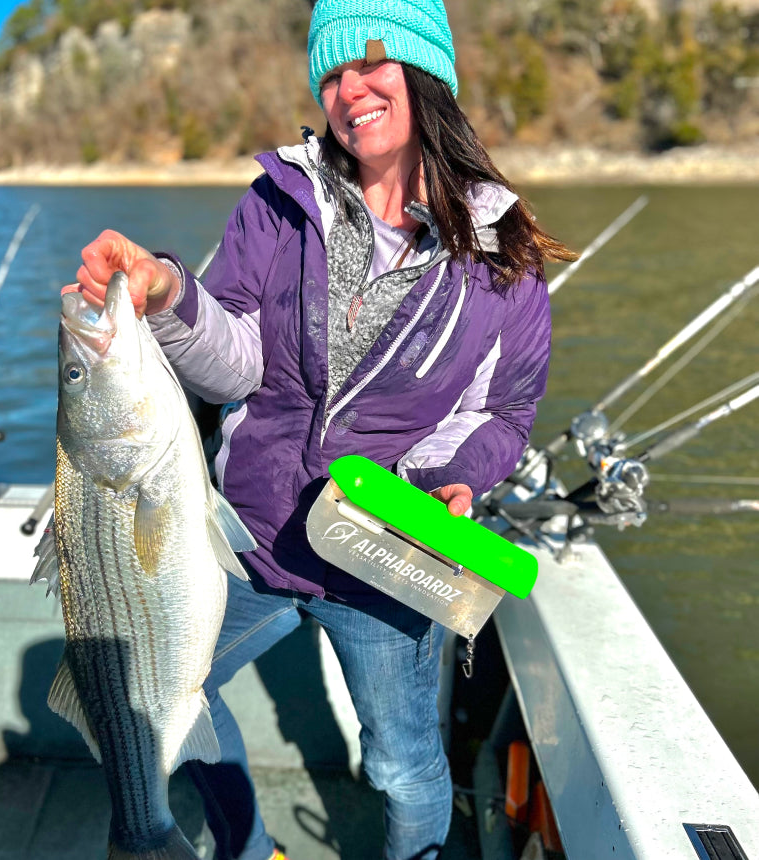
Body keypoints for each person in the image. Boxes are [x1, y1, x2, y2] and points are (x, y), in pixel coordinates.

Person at [71, 1, 575, 857]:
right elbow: (235, 364)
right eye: (332, 74)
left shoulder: (502, 258)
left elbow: (505, 412)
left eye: (372, 66)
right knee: (167, 692)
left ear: (428, 76)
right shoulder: (278, 204)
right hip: (246, 539)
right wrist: (164, 293)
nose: (349, 91)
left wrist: (455, 481)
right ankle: (244, 845)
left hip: (382, 550)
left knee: (404, 767)